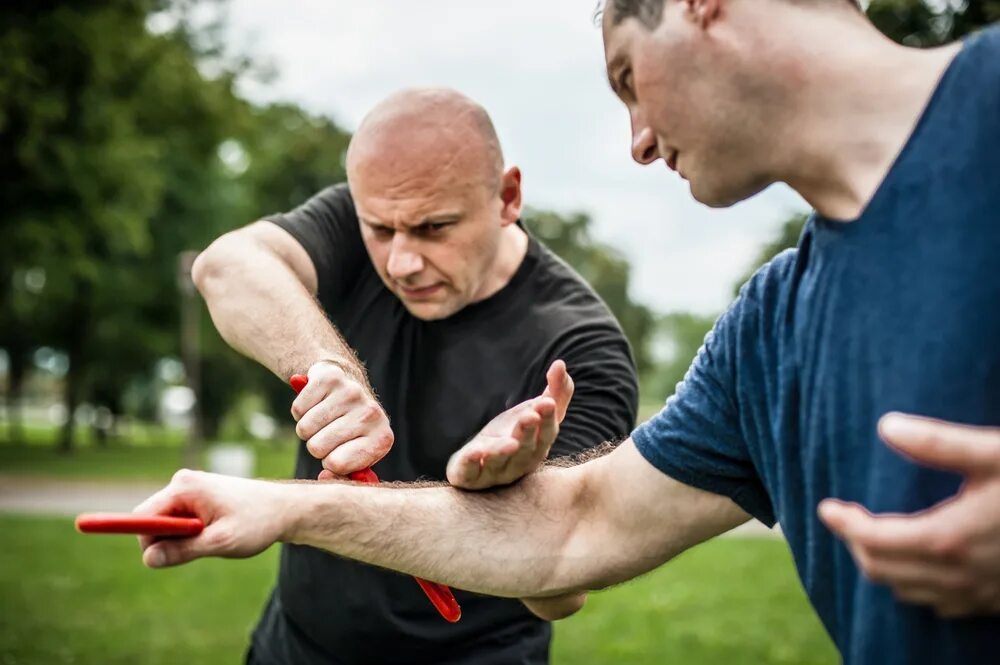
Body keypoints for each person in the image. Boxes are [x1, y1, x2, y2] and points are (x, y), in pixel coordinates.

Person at [138, 2, 1000, 663]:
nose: (636, 142)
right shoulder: (769, 330)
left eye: (628, 78)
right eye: (381, 231)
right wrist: (279, 505)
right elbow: (570, 532)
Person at [189, 88, 639, 665]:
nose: (401, 261)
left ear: (507, 197)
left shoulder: (580, 347)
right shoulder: (362, 220)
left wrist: (509, 489)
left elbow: (561, 592)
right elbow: (225, 267)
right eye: (381, 229)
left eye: (434, 228)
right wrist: (330, 369)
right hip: (295, 647)